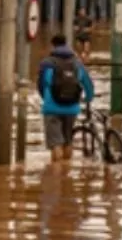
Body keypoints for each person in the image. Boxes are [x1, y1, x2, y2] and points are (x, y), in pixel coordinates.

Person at [37, 34, 95, 163]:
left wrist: (45, 98)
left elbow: (41, 84)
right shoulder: (77, 62)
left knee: (55, 143)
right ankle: (66, 173)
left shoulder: (47, 63)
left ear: (52, 45)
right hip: (72, 107)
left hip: (52, 107)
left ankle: (57, 176)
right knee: (68, 140)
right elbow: (88, 84)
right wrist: (88, 99)